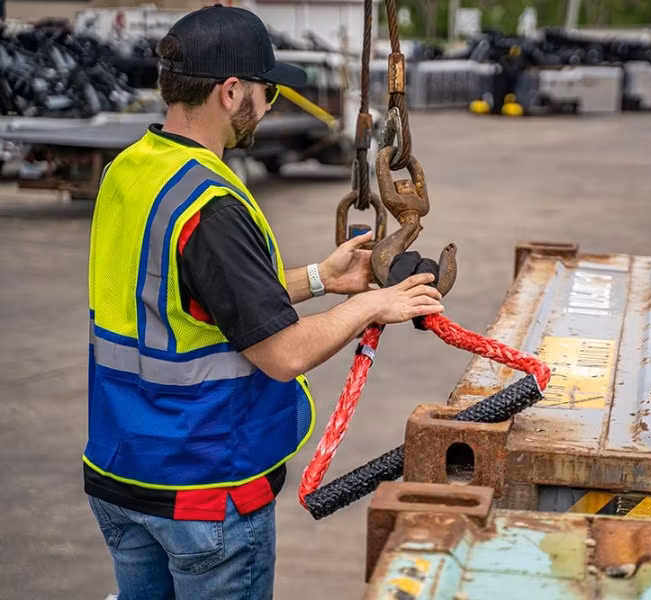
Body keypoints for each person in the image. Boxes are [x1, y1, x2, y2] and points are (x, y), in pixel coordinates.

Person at [83, 5, 444, 600]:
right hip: (203, 491)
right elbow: (282, 354)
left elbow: (187, 300)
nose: (271, 103)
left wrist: (322, 279)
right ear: (231, 92)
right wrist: (375, 307)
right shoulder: (210, 202)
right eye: (267, 91)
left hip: (121, 478)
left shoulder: (133, 171)